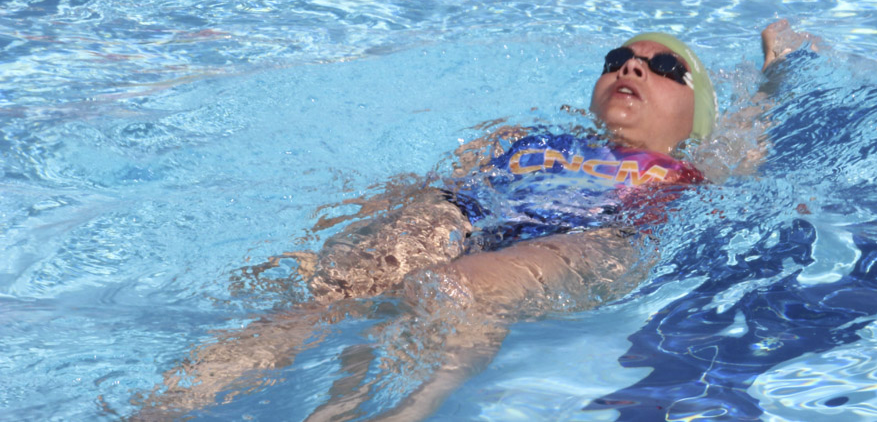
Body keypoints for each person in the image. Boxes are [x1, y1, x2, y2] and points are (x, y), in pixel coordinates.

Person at [135, 23, 815, 421]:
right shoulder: (531, 137)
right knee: (348, 280)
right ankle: (162, 406)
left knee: (453, 290)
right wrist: (383, 219)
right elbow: (442, 188)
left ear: (693, 117)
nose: (631, 65)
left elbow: (753, 131)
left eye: (664, 67)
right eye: (617, 61)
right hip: (478, 219)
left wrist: (776, 71)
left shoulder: (692, 162)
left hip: (603, 240)